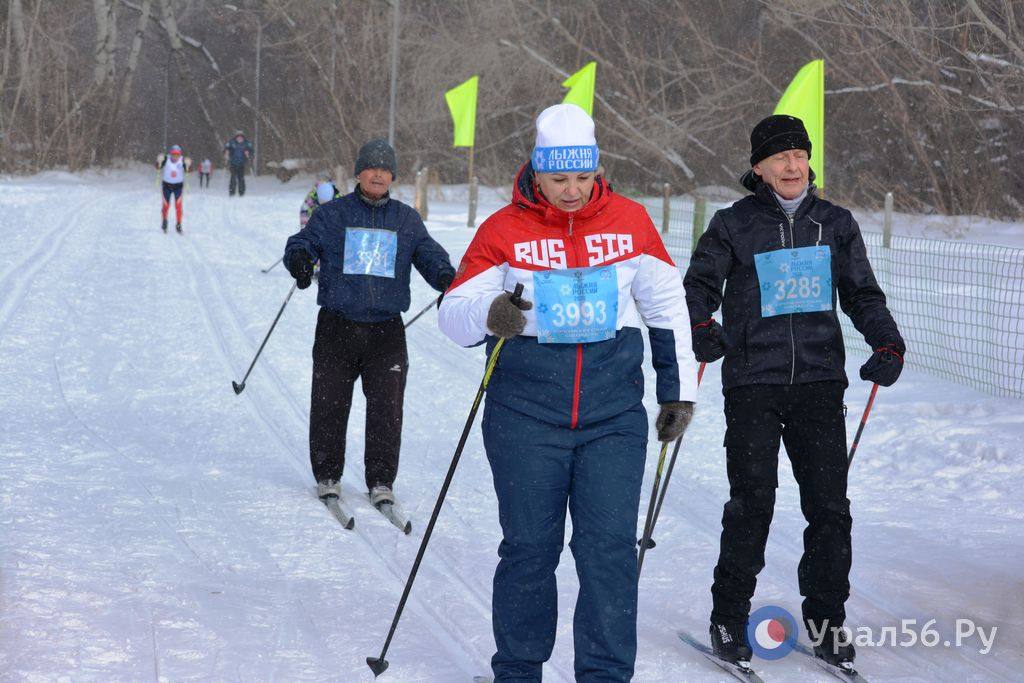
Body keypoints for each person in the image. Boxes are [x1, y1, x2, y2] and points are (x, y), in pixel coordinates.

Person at [438, 103, 698, 682]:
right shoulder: (504, 230)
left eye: (583, 177)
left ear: (597, 168)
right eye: (559, 179)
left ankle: (605, 674)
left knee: (608, 553)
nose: (573, 190)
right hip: (524, 418)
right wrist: (492, 312)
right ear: (537, 170)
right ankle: (518, 671)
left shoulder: (630, 223)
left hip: (612, 420)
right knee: (530, 550)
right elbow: (452, 314)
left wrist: (678, 390)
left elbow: (667, 308)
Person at [683, 114, 905, 669]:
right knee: (752, 503)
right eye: (779, 156)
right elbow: (697, 287)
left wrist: (887, 342)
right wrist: (702, 327)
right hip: (753, 383)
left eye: (799, 155)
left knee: (830, 509)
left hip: (818, 383)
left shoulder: (836, 224)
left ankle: (827, 623)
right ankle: (728, 619)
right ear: (758, 168)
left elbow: (862, 295)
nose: (791, 165)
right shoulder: (733, 225)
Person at [283, 139, 456, 512]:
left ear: (392, 175)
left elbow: (428, 254)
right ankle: (328, 474)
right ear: (359, 172)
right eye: (370, 167)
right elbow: (304, 242)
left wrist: (445, 277)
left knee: (387, 408)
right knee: (329, 403)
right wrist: (299, 259)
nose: (377, 174)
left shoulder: (405, 219)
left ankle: (381, 480)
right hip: (337, 326)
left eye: (385, 168)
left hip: (385, 330)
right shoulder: (333, 215)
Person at [155, 144, 192, 233]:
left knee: (178, 206)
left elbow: (189, 170)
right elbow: (158, 167)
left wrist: (189, 164)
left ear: (179, 154)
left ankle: (178, 224)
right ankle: (164, 221)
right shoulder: (166, 159)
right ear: (171, 154)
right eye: (173, 154)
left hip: (178, 186)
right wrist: (158, 161)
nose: (175, 157)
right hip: (166, 186)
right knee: (165, 205)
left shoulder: (182, 160)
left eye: (177, 155)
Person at [223, 130, 253, 196]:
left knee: (241, 178)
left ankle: (241, 193)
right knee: (233, 177)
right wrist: (226, 152)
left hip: (241, 163)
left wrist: (248, 153)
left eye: (241, 137)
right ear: (236, 137)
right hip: (233, 163)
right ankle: (232, 192)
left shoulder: (246, 143)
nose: (239, 138)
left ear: (243, 137)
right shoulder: (231, 142)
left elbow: (251, 150)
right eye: (238, 137)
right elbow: (226, 148)